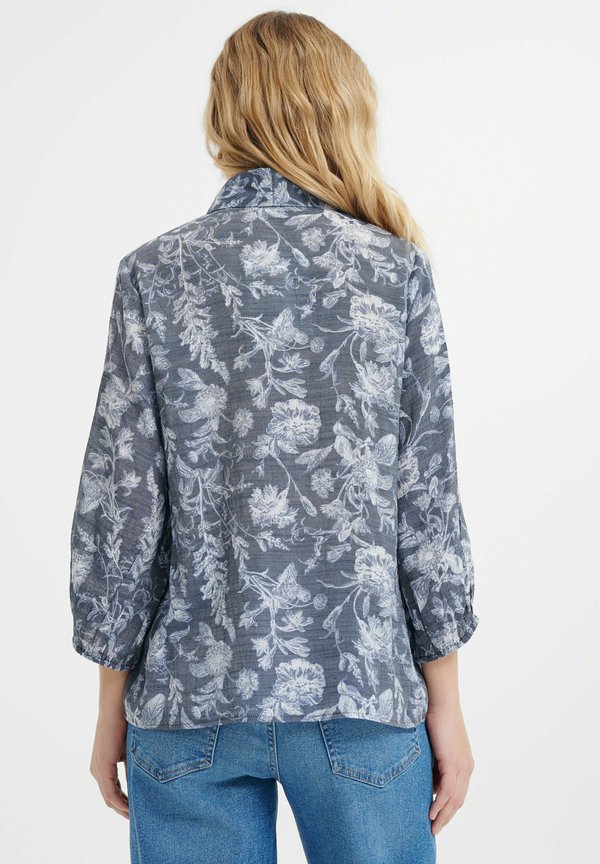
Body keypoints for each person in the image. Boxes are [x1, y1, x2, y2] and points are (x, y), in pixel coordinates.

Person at [69, 11, 479, 864]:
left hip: (189, 697)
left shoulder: (154, 272)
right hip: (360, 688)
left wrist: (111, 705)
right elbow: (427, 507)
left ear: (225, 115)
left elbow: (123, 507)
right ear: (341, 111)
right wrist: (446, 701)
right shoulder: (393, 271)